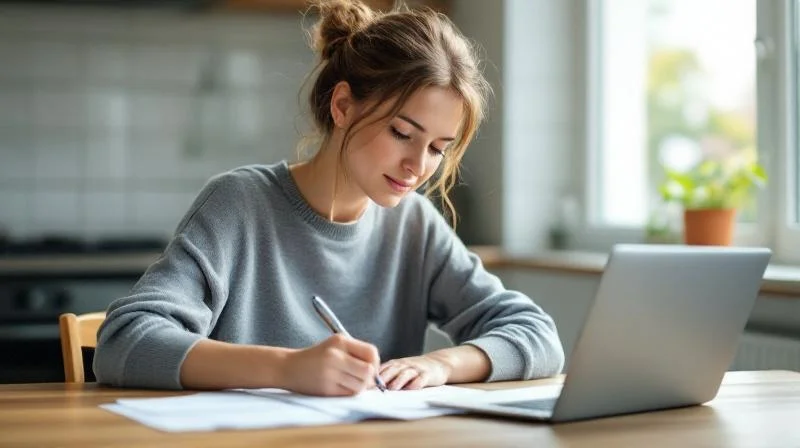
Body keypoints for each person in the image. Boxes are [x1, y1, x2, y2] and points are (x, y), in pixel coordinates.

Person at [94, 0, 565, 395]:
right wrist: (285, 369)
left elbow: (538, 336)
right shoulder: (239, 204)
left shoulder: (414, 225)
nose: (418, 166)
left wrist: (443, 364)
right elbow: (122, 342)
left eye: (438, 149)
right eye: (402, 133)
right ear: (342, 106)